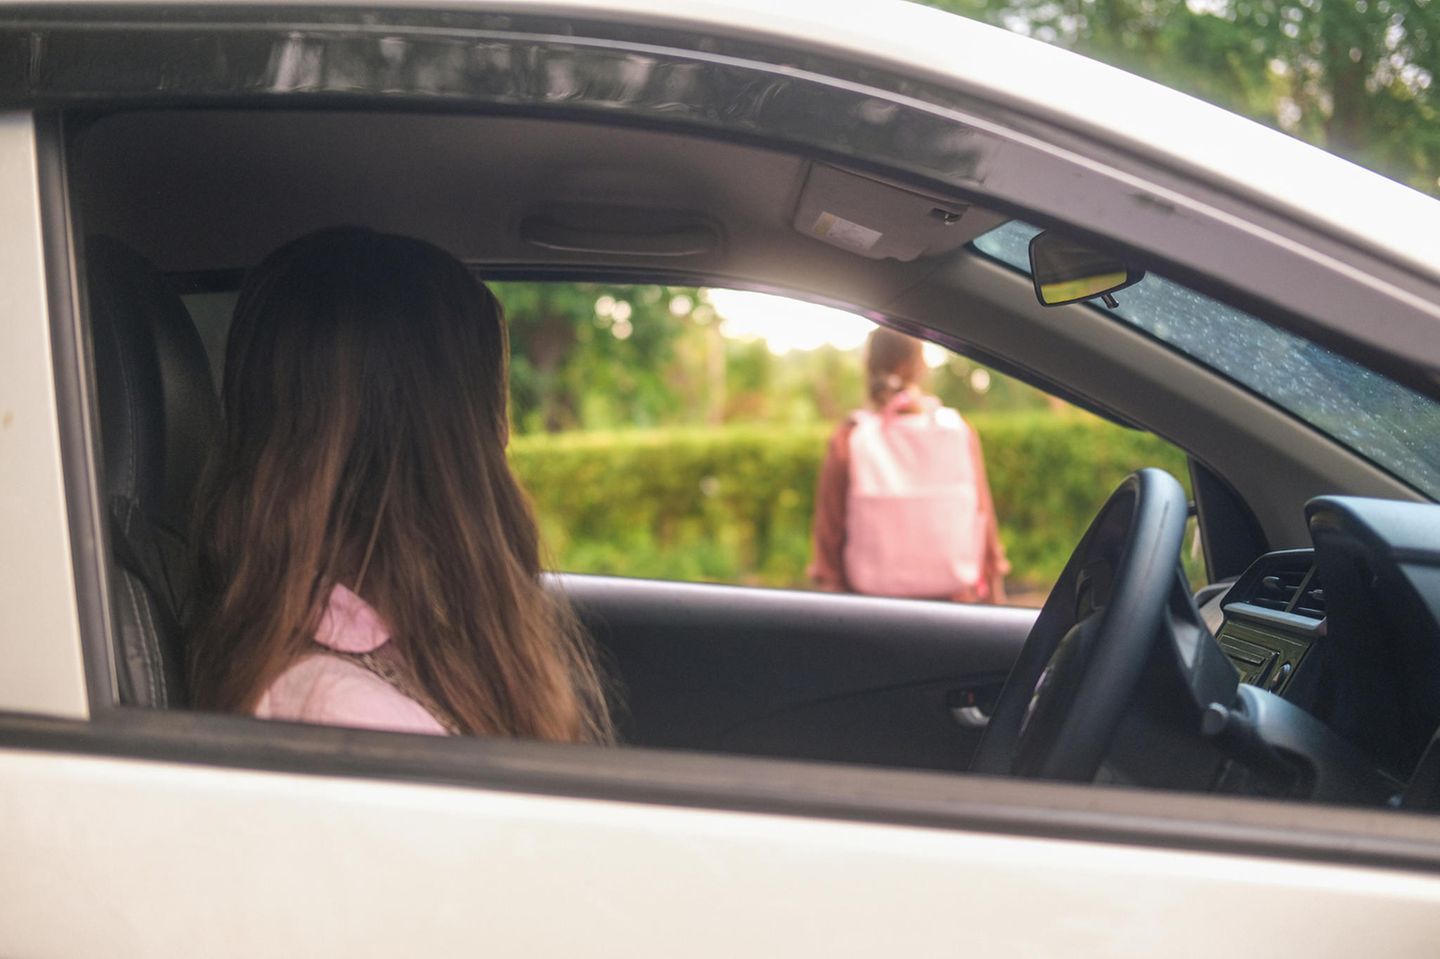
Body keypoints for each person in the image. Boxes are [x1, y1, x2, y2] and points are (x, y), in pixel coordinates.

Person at [188, 228, 612, 742]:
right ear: (454, 446)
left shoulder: (387, 646)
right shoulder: (344, 713)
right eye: (491, 409)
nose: (503, 440)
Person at [809, 327, 1009, 604]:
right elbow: (984, 522)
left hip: (869, 616)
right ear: (920, 367)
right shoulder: (957, 429)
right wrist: (995, 601)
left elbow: (828, 546)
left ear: (869, 366)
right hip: (955, 613)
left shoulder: (850, 437)